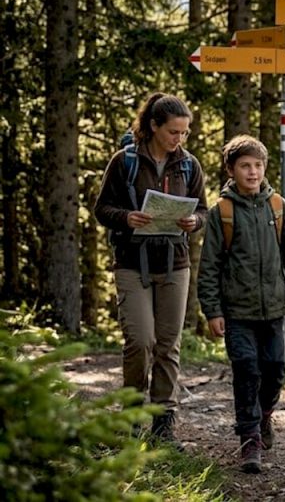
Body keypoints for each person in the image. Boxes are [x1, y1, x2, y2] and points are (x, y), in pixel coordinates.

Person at [94, 92, 208, 448]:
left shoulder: (189, 165)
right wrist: (126, 217)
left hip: (175, 263)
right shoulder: (124, 161)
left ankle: (162, 422)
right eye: (174, 132)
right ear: (154, 126)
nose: (180, 139)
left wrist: (194, 221)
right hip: (132, 262)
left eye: (185, 133)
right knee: (140, 341)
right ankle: (130, 414)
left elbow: (204, 210)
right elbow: (102, 209)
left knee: (168, 345)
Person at [197, 135, 285, 474]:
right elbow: (209, 265)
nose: (252, 172)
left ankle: (265, 414)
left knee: (276, 367)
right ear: (230, 169)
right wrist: (213, 310)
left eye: (257, 165)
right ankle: (249, 437)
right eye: (244, 166)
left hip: (275, 309)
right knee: (246, 368)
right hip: (237, 312)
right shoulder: (221, 213)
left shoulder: (279, 208)